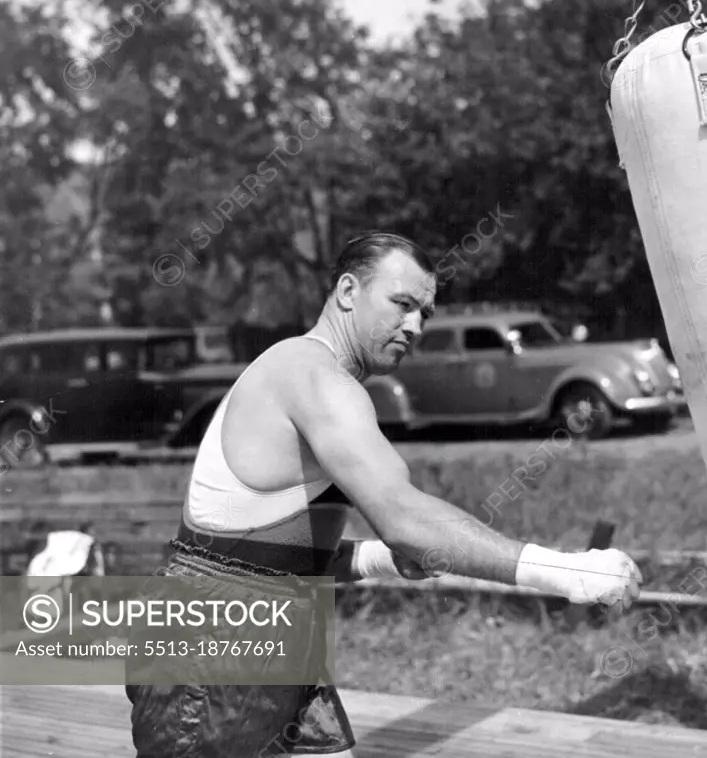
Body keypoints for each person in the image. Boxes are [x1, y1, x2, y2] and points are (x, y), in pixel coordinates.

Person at [126, 231, 643, 758]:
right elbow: (401, 517)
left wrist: (378, 560)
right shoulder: (311, 376)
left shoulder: (311, 375)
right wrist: (566, 572)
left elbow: (256, 554)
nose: (415, 325)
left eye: (425, 313)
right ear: (348, 291)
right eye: (402, 304)